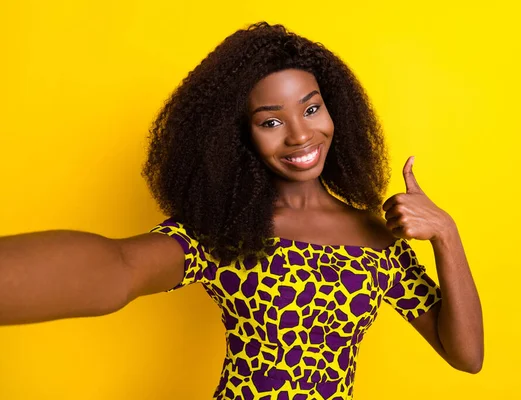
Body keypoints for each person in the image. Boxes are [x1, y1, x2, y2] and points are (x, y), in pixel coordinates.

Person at [0, 22, 483, 400]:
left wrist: (446, 233)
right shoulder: (225, 232)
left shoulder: (379, 240)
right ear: (237, 137)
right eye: (271, 121)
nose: (300, 135)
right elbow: (119, 267)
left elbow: (467, 355)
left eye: (311, 109)